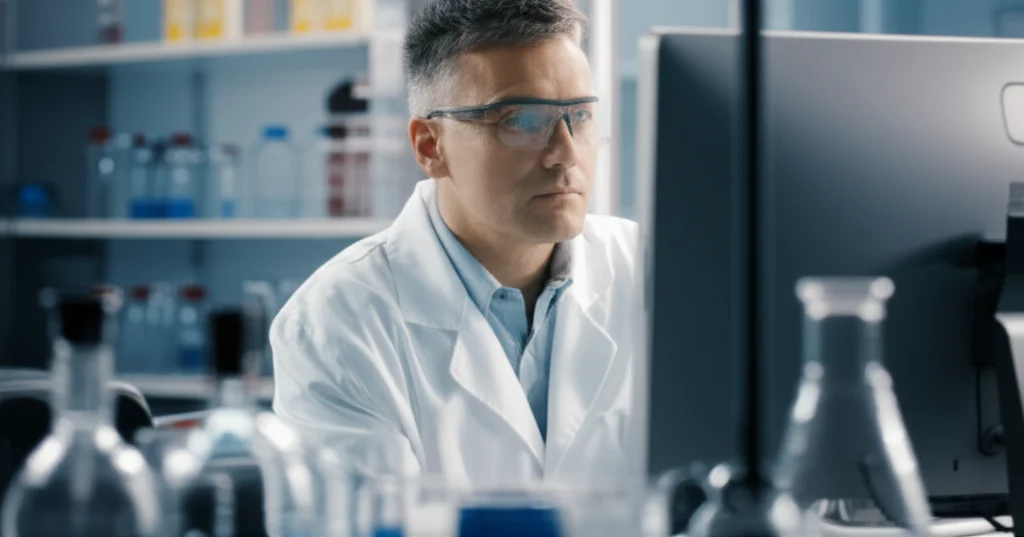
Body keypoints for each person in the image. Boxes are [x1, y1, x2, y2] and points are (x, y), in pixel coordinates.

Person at [270, 0, 638, 487]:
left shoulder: (652, 271)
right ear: (430, 146)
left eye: (582, 116)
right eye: (521, 120)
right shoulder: (336, 324)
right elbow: (368, 518)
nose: (566, 153)